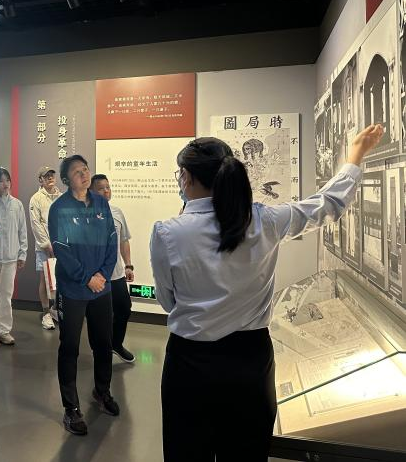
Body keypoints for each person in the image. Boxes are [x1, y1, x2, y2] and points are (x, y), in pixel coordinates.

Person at [150, 125, 384, 462]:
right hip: (250, 360)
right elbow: (328, 204)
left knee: (186, 452)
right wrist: (355, 155)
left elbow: (167, 300)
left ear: (185, 177)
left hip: (190, 362)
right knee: (246, 453)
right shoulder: (265, 220)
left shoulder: (167, 232)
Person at [49, 155, 118, 436]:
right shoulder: (59, 208)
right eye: (77, 172)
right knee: (70, 347)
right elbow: (60, 248)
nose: (84, 174)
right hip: (74, 289)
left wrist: (103, 274)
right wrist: (86, 277)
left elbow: (112, 240)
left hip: (101, 288)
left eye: (85, 169)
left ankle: (102, 391)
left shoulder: (101, 203)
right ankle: (71, 408)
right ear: (67, 179)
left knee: (103, 343)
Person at [90, 174, 135, 363]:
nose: (106, 191)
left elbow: (124, 240)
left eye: (108, 187)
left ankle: (116, 344)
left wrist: (128, 265)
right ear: (91, 191)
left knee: (124, 309)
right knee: (99, 317)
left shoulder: (117, 212)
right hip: (96, 276)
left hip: (116, 274)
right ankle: (101, 351)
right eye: (101, 188)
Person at [0, 167, 28, 348]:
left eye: (7, 180)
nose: (5, 184)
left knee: (6, 296)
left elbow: (22, 230)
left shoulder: (17, 204)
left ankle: (4, 330)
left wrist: (22, 253)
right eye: (1, 181)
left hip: (11, 258)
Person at [29, 165, 62, 330]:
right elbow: (36, 224)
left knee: (59, 278)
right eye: (46, 176)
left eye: (52, 175)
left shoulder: (61, 197)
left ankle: (55, 309)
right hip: (44, 248)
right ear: (40, 180)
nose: (50, 178)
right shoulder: (36, 199)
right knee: (44, 279)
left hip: (61, 247)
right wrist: (47, 244)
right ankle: (46, 313)